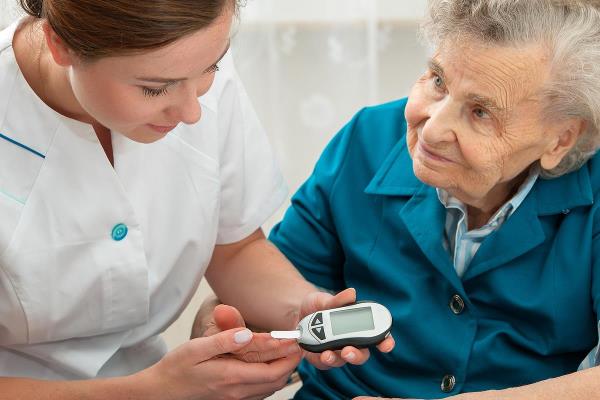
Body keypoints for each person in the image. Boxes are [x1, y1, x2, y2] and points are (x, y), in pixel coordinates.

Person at [0, 0, 394, 398]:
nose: (191, 112)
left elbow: (234, 249)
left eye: (213, 67)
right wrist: (153, 391)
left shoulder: (186, 63)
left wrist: (300, 307)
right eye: (154, 88)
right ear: (60, 44)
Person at [262, 0, 600, 398]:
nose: (433, 129)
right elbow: (276, 292)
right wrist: (229, 326)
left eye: (480, 112)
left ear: (561, 138)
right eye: (438, 81)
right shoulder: (367, 139)